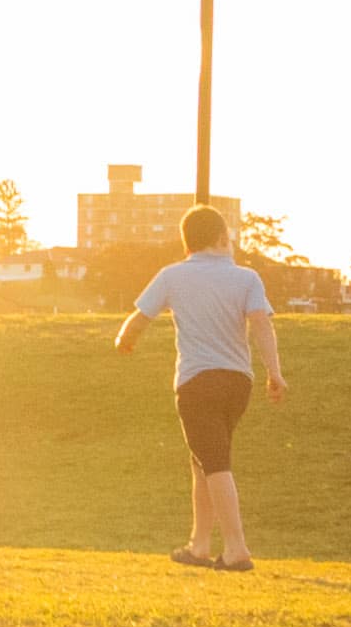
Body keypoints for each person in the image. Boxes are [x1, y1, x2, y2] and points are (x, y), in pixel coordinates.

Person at [101, 201, 280, 568]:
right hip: (238, 382)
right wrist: (274, 373)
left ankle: (236, 549)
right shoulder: (247, 278)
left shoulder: (172, 275)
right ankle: (199, 544)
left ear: (187, 244)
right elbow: (262, 324)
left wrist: (124, 341)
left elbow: (139, 318)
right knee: (202, 461)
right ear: (220, 238)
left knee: (214, 463)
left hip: (197, 381)